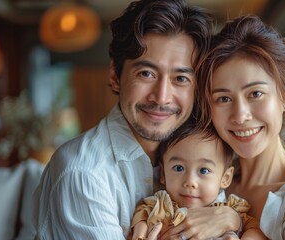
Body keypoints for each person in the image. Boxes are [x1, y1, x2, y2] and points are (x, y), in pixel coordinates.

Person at [32, 0, 241, 239]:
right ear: (115, 76)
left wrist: (229, 216)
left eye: (181, 78)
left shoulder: (204, 149)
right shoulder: (84, 174)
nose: (162, 97)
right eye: (146, 73)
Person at [186, 15, 285, 239]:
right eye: (223, 99)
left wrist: (237, 222)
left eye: (255, 94)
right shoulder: (205, 181)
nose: (240, 116)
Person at [129, 121, 266, 240]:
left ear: (225, 178)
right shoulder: (161, 206)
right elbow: (143, 213)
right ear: (163, 173)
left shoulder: (231, 209)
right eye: (178, 168)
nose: (190, 181)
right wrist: (140, 233)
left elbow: (255, 228)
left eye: (204, 171)